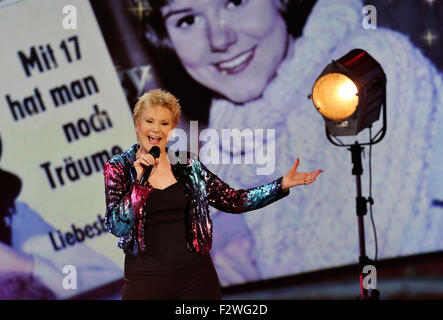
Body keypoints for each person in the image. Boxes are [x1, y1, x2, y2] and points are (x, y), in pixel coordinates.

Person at [135, 0, 443, 286]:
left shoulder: (366, 65)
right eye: (187, 19)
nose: (219, 39)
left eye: (236, 1)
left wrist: (246, 236)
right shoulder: (221, 148)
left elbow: (361, 262)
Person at [103, 89, 322, 299]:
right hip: (146, 279)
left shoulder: (188, 164)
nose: (155, 129)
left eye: (164, 123)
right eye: (149, 121)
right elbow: (117, 226)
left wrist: (281, 185)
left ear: (172, 129)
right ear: (137, 124)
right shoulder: (119, 168)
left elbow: (234, 200)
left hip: (195, 276)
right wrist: (139, 184)